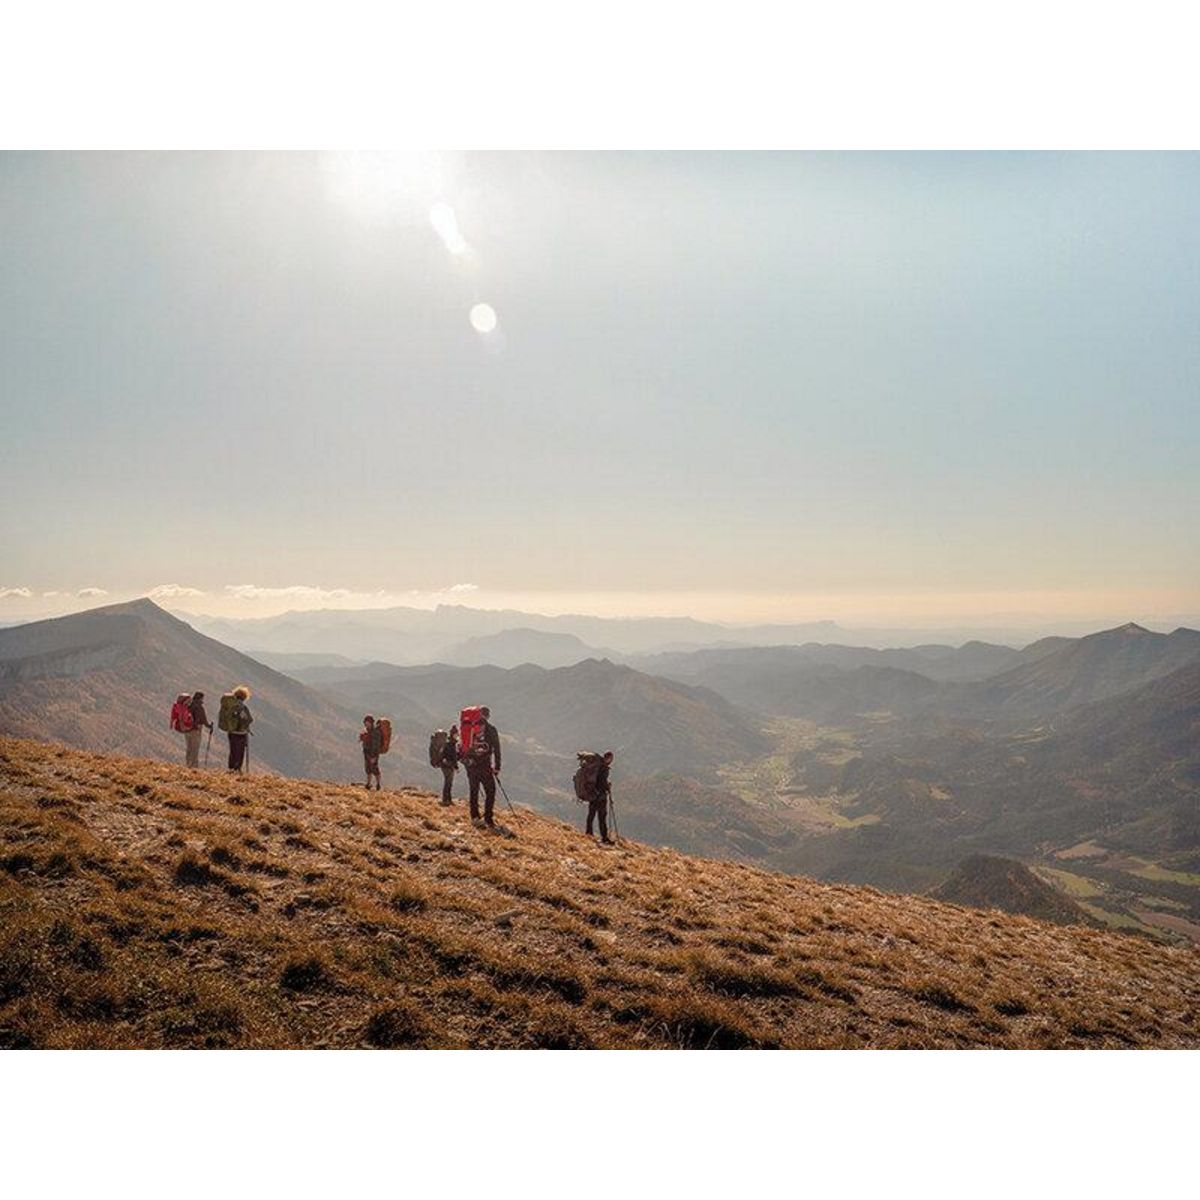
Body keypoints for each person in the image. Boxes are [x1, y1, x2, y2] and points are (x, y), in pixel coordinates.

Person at [464, 705, 501, 827]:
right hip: (485, 766)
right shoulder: (491, 729)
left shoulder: (469, 728)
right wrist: (497, 766)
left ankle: (474, 817)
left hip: (471, 767)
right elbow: (497, 749)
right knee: (491, 792)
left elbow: (464, 748)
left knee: (473, 792)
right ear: (488, 716)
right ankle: (488, 818)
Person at [586, 751, 615, 845]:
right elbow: (602, 782)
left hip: (593, 795)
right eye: (611, 758)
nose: (611, 760)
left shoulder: (597, 766)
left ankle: (588, 833)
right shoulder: (604, 768)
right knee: (602, 817)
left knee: (591, 814)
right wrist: (607, 786)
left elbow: (598, 780)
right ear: (608, 758)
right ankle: (604, 838)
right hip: (600, 796)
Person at [226, 686, 253, 773]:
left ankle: (231, 767)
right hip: (241, 733)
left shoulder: (230, 706)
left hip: (231, 731)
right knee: (240, 751)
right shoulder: (243, 707)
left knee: (233, 750)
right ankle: (237, 768)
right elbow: (249, 719)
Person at [186, 690, 213, 768]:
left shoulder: (188, 705)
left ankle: (188, 764)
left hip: (187, 729)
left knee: (189, 747)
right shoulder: (199, 707)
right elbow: (204, 720)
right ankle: (194, 766)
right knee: (195, 748)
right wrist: (209, 726)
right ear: (201, 698)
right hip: (196, 729)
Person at [360, 715, 383, 790]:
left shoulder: (375, 732)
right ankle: (368, 784)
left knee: (375, 769)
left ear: (371, 723)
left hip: (373, 753)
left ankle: (378, 784)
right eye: (365, 723)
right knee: (368, 769)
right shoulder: (367, 731)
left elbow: (376, 745)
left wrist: (374, 756)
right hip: (367, 752)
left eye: (367, 722)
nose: (366, 724)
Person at [439, 724, 460, 806]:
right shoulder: (452, 744)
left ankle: (447, 799)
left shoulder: (448, 743)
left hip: (445, 765)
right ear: (453, 734)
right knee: (448, 783)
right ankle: (446, 800)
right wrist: (456, 767)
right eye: (457, 734)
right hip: (448, 766)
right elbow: (454, 757)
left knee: (448, 782)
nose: (458, 736)